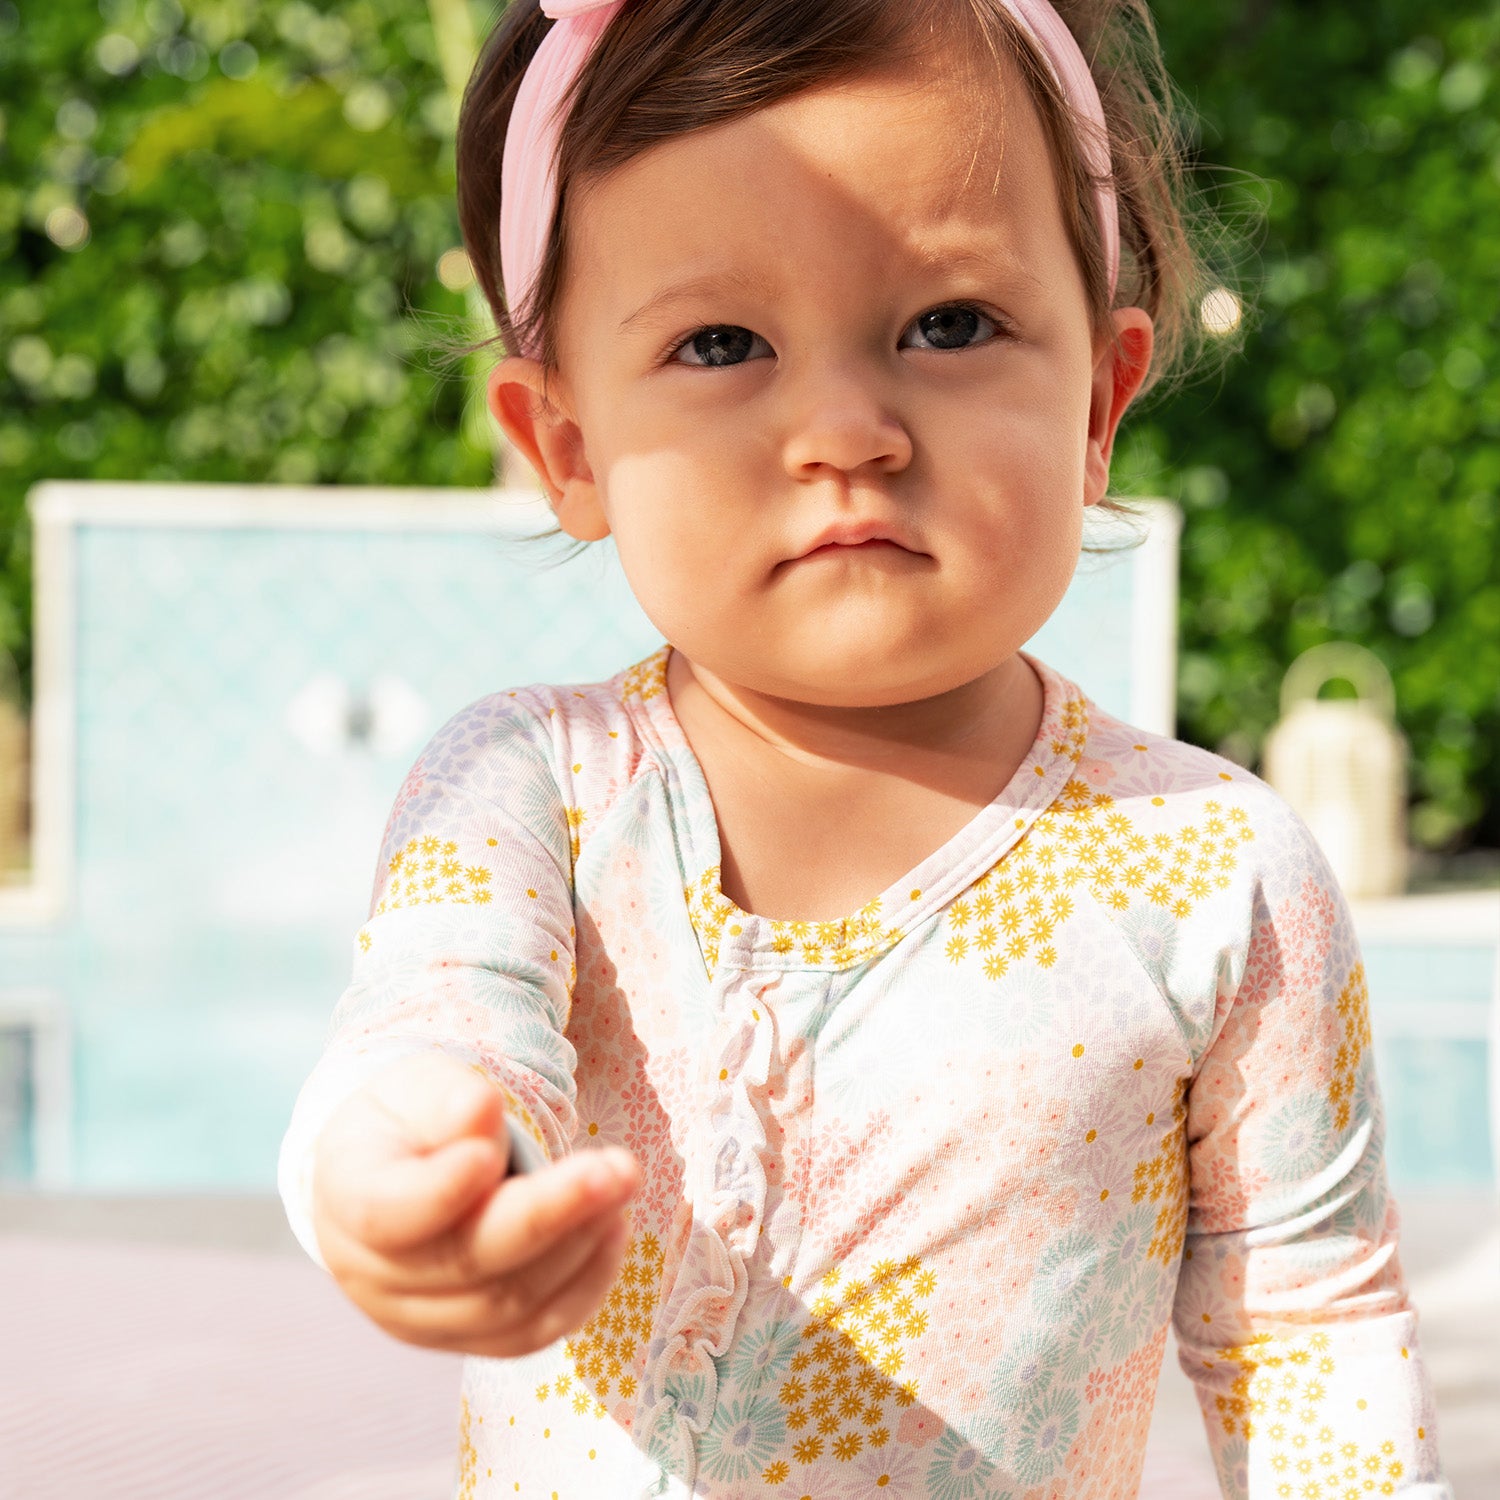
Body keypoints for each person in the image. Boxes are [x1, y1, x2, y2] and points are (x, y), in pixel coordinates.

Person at [279, 2, 1451, 1495]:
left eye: (948, 324)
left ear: (1099, 398)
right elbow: (430, 1034)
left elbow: (1309, 1337)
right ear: (567, 443)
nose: (846, 428)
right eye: (721, 344)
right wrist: (404, 1179)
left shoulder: (1212, 874)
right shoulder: (537, 791)